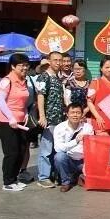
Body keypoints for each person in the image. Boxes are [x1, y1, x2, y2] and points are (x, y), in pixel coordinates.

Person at [0, 53, 31, 192]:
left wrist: (26, 113)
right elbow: (0, 100)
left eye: (26, 65)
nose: (25, 68)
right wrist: (11, 118)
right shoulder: (7, 81)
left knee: (21, 151)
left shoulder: (24, 81)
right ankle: (7, 182)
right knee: (12, 152)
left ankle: (14, 179)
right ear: (13, 66)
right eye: (21, 65)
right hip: (6, 122)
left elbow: (23, 101)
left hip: (21, 121)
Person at [36, 51, 65, 189]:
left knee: (55, 149)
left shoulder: (58, 78)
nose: (58, 63)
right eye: (55, 60)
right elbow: (40, 96)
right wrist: (42, 116)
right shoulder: (44, 76)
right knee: (46, 149)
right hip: (49, 119)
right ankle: (43, 177)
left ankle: (52, 175)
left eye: (60, 60)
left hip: (59, 120)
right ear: (49, 61)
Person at [53, 103, 94, 192]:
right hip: (69, 160)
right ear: (67, 114)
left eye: (78, 113)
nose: (75, 115)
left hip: (83, 161)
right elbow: (58, 148)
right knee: (59, 157)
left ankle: (79, 176)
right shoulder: (59, 128)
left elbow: (92, 148)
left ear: (82, 114)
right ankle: (66, 182)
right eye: (72, 112)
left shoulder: (88, 127)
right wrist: (76, 141)